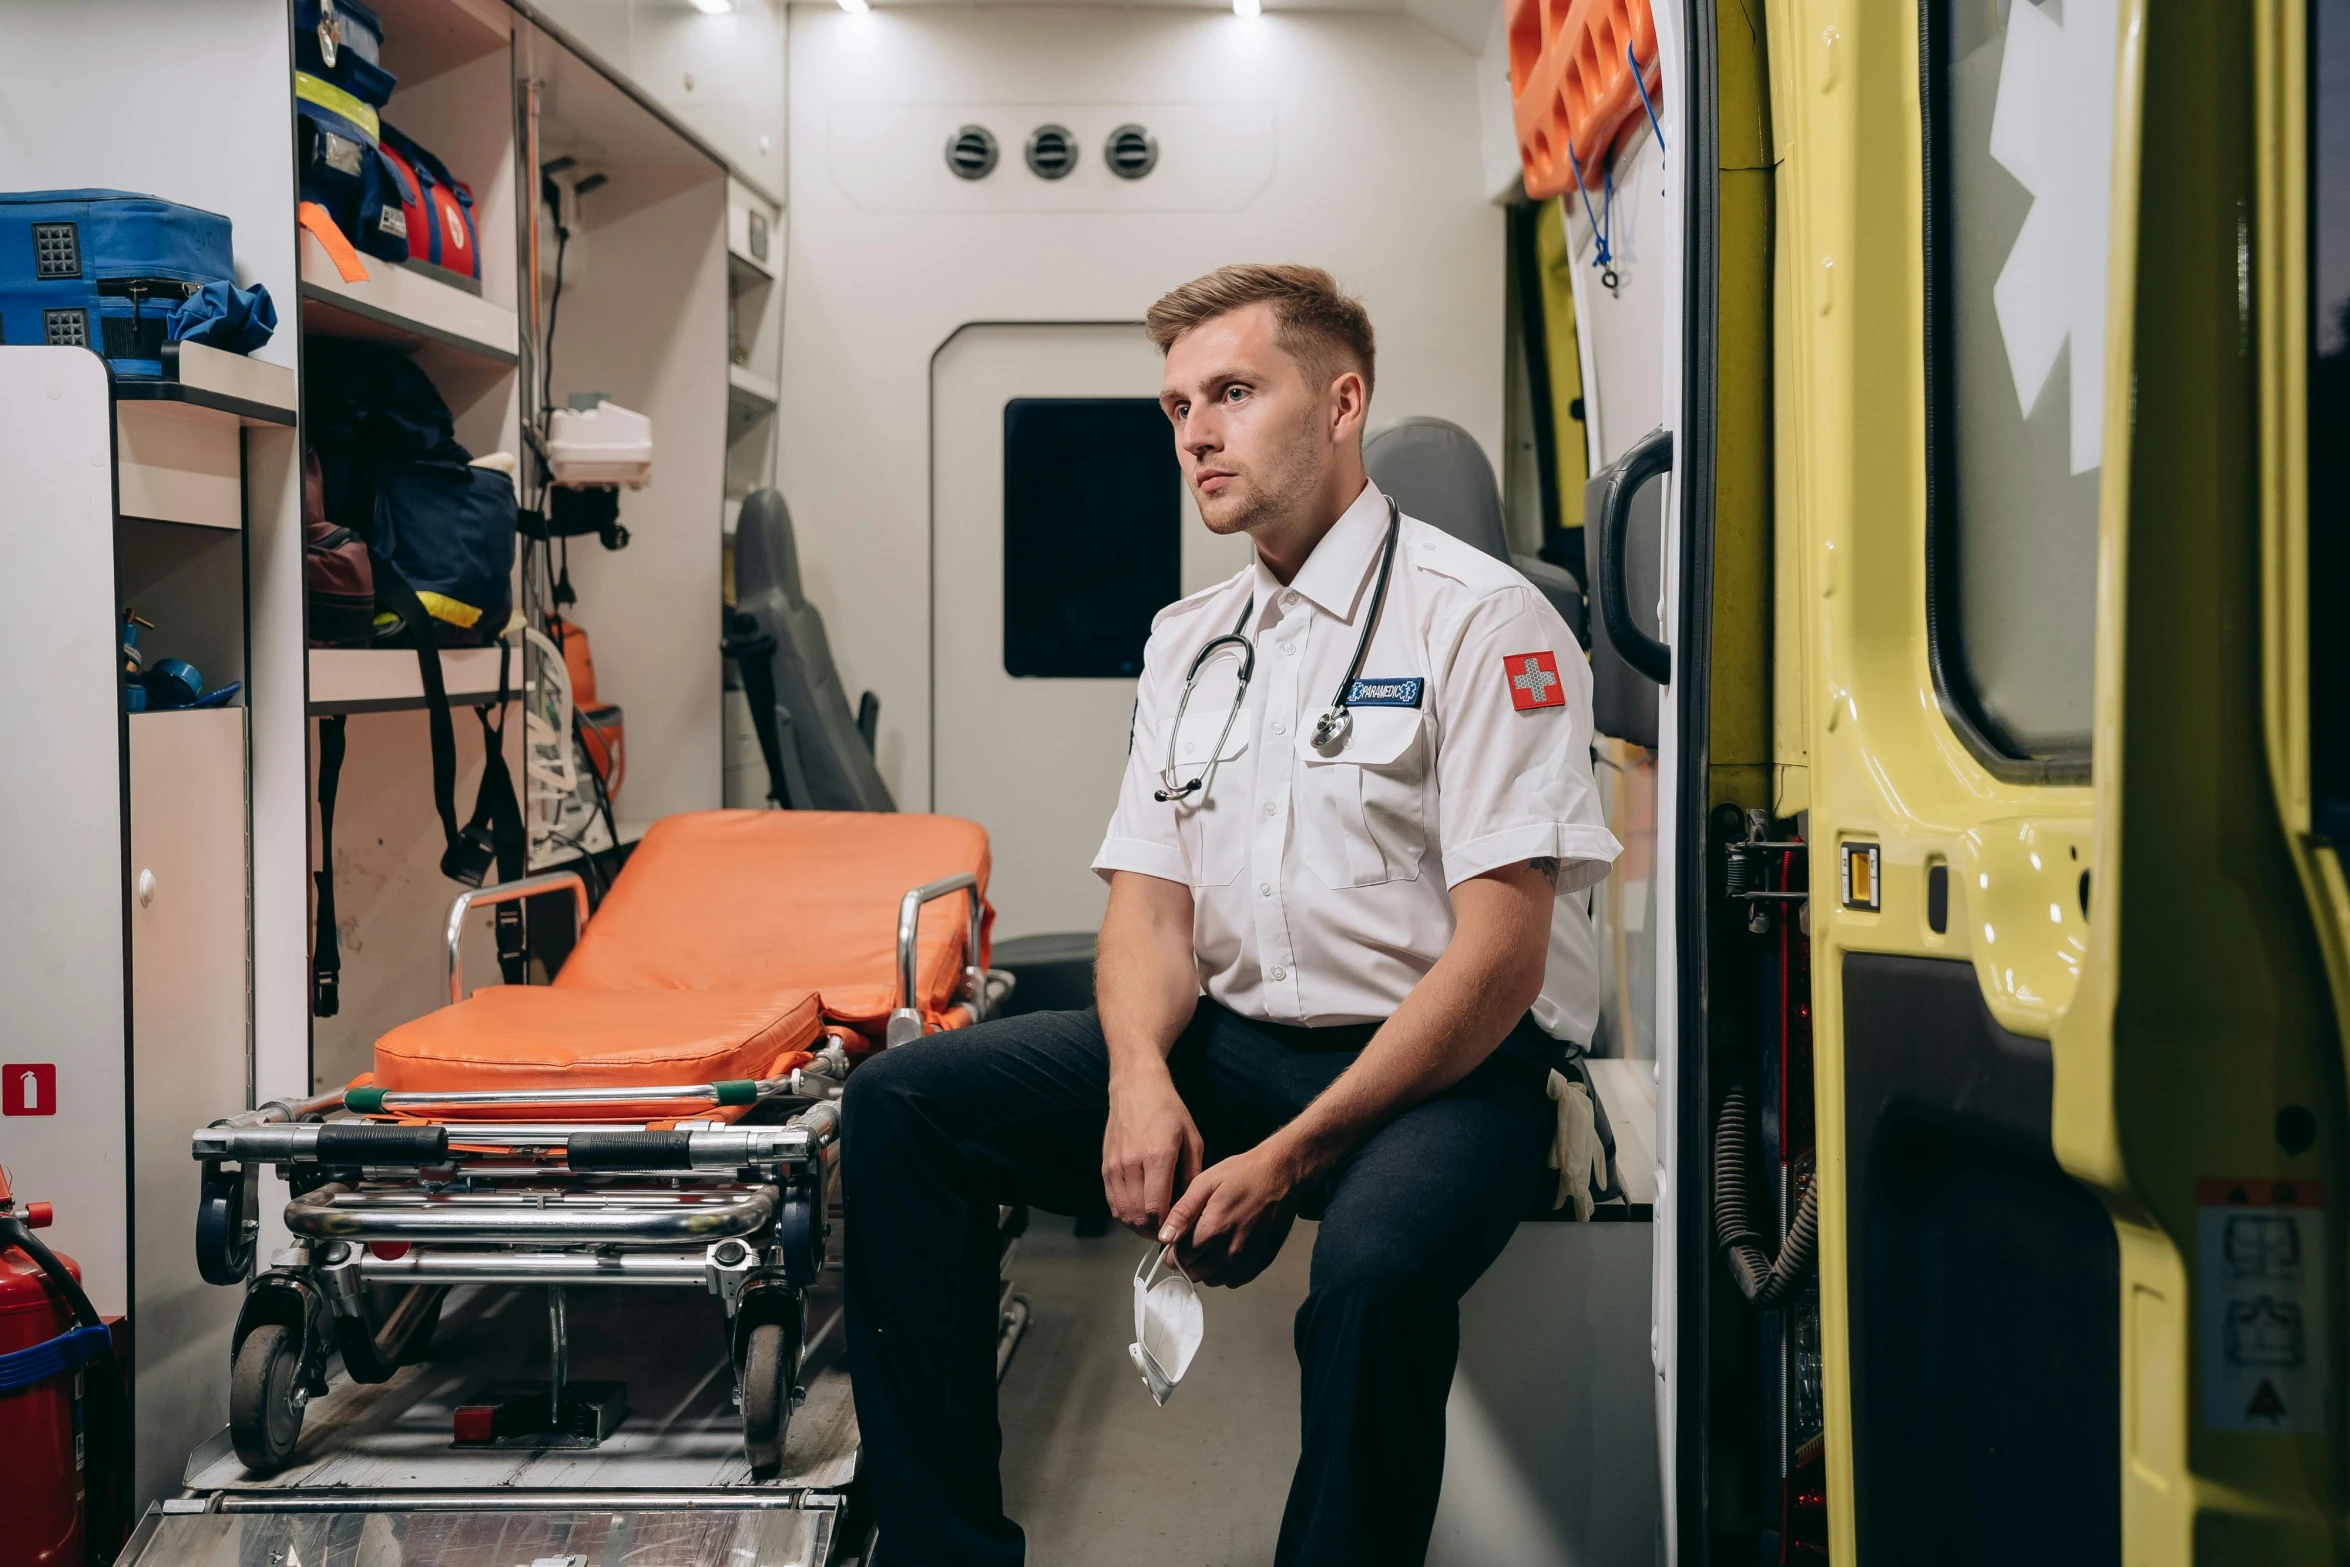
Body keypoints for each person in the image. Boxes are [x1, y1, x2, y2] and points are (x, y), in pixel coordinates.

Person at [842, 263, 1620, 1566]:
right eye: (1176, 406)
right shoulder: (1188, 638)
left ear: (1339, 402)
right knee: (902, 1105)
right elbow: (1147, 904)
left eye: (1233, 392)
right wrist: (1141, 1079)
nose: (1194, 431)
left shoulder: (1481, 620)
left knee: (1369, 1281)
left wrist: (1292, 1156)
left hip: (1443, 1070)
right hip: (1241, 1037)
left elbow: (1500, 959)